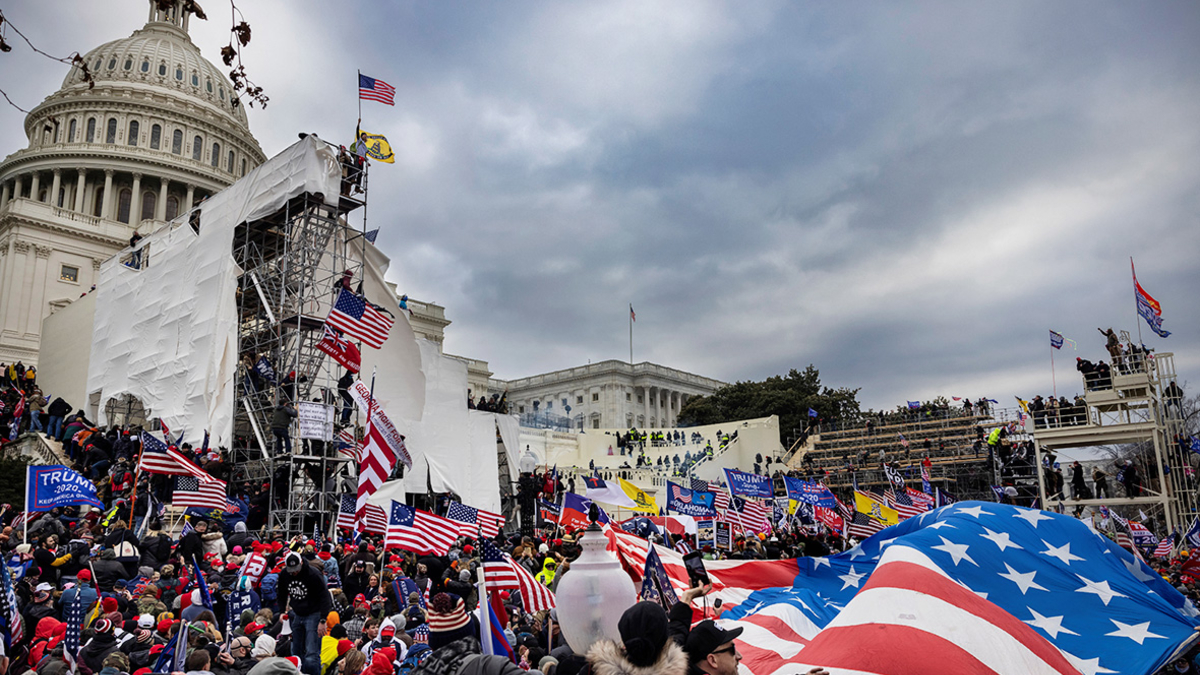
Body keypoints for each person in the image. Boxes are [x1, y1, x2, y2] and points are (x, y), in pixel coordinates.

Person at [278, 552, 333, 675]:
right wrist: (282, 611)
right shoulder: (284, 574)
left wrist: (323, 619)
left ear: (301, 562)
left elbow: (325, 597)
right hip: (296, 612)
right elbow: (281, 593)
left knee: (311, 654)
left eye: (296, 569)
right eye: (291, 570)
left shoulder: (313, 574)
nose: (294, 573)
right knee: (295, 651)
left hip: (314, 613)